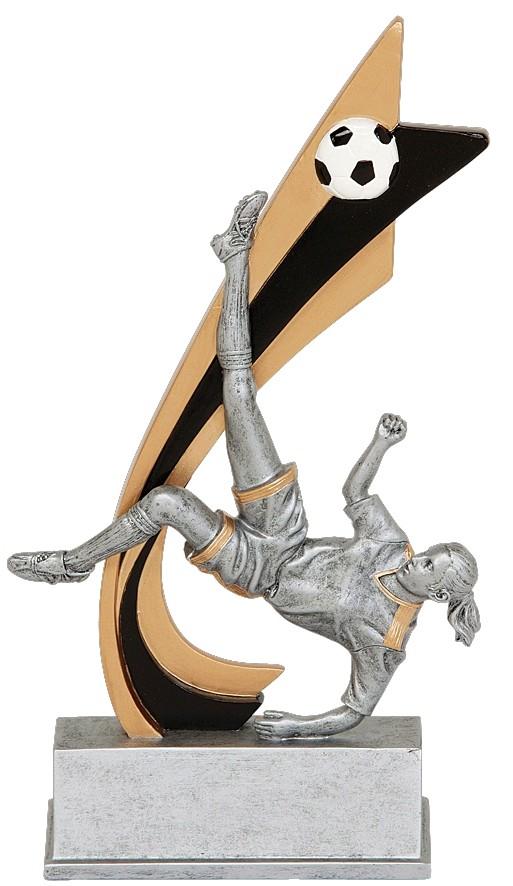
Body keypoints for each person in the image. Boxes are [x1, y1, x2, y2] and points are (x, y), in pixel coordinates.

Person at [7, 192, 481, 740]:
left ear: (439, 594)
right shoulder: (393, 548)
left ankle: (72, 564)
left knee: (165, 503)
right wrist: (380, 444)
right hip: (286, 529)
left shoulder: (387, 637)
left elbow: (355, 711)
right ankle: (235, 255)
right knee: (238, 389)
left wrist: (297, 729)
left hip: (259, 569)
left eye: (429, 566)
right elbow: (354, 493)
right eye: (429, 553)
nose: (418, 559)